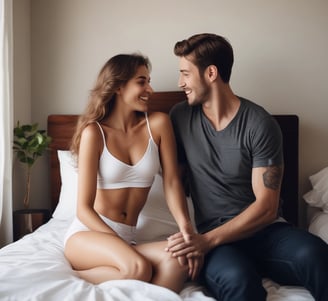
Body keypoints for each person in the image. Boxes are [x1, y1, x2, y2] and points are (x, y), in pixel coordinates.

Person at [166, 33, 328, 301]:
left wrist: (206, 242)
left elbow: (266, 208)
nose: (180, 83)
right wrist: (191, 233)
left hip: (267, 232)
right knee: (239, 282)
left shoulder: (259, 124)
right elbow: (172, 178)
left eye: (185, 73)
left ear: (211, 73)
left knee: (317, 255)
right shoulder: (179, 117)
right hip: (217, 241)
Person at [63, 53, 197, 293]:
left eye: (149, 80)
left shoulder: (158, 124)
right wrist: (116, 241)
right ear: (118, 86)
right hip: (89, 236)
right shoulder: (94, 133)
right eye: (141, 81)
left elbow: (172, 182)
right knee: (138, 268)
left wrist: (187, 230)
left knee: (178, 262)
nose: (150, 89)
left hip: (126, 239)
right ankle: (70, 277)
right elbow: (83, 208)